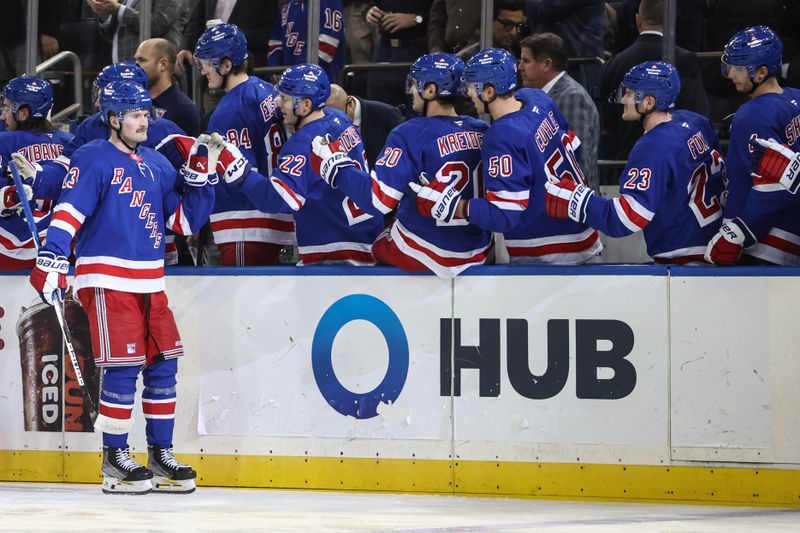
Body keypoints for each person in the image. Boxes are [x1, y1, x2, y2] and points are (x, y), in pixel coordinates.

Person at [29, 80, 214, 494]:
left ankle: (160, 454)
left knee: (164, 365)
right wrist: (54, 256)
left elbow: (185, 223)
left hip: (151, 280)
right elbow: (69, 210)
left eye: (146, 114)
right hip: (107, 279)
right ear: (113, 119)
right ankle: (115, 458)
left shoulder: (158, 164)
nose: (143, 121)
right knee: (123, 369)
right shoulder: (92, 157)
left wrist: (203, 180)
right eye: (134, 115)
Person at [409, 48, 602, 264]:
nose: (468, 93)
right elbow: (574, 146)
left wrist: (454, 205)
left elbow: (503, 214)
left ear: (489, 91)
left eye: (473, 86)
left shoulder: (501, 135)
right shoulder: (537, 98)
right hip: (584, 231)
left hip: (549, 251)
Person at [313, 53, 491, 277]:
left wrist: (338, 168)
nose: (411, 91)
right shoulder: (482, 130)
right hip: (477, 250)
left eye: (415, 84)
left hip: (423, 251)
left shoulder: (409, 132)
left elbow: (380, 200)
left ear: (430, 90)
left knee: (376, 245)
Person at [545, 61, 726, 264]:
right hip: (715, 243)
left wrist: (577, 199)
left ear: (648, 102)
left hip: (685, 258)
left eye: (630, 93)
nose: (623, 99)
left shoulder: (653, 147)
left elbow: (626, 218)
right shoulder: (696, 122)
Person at [213, 63, 383, 265]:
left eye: (284, 98)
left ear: (305, 105)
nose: (277, 103)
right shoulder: (340, 120)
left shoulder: (302, 143)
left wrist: (237, 169)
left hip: (335, 250)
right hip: (369, 238)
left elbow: (275, 200)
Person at [193, 23, 292, 266]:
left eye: (207, 63)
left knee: (244, 302)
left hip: (245, 222)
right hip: (275, 218)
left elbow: (237, 174)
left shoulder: (229, 111)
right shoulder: (268, 91)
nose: (203, 70)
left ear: (227, 65)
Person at [704, 26, 800, 266]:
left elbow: (776, 183)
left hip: (765, 241)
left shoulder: (753, 115)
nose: (731, 74)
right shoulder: (796, 98)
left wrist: (739, 234)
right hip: (791, 230)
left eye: (738, 68)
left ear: (761, 72)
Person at [599, 0, 709, 160]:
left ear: (638, 19)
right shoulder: (685, 60)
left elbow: (607, 122)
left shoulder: (613, 65)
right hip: (673, 158)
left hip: (623, 162)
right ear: (672, 22)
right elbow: (696, 113)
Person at [0, 76, 73, 270]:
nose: (2, 116)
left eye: (6, 108)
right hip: (63, 243)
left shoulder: (4, 141)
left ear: (23, 113)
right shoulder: (69, 141)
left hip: (16, 245)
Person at [518, 32, 600, 190]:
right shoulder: (536, 96)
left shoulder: (572, 97)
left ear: (547, 64)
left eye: (526, 61)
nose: (519, 67)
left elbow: (576, 163)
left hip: (570, 206)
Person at [364, 1, 430, 106]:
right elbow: (372, 5)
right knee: (379, 105)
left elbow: (441, 17)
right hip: (384, 50)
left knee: (417, 107)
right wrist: (371, 12)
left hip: (416, 49)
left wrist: (416, 18)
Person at [326, 83, 404, 169]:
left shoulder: (386, 114)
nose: (333, 121)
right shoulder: (322, 124)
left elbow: (405, 151)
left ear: (350, 103)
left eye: (337, 115)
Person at [135, 38, 202, 136]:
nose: (135, 67)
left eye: (142, 60)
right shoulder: (133, 102)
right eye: (135, 60)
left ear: (163, 64)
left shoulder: (186, 111)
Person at [267, 0, 346, 84]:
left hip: (322, 80)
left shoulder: (330, 2)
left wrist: (297, 72)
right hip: (289, 80)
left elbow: (327, 44)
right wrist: (274, 68)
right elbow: (275, 42)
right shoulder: (287, 5)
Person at [86, 0, 186, 62]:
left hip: (155, 73)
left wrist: (118, 9)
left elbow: (156, 25)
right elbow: (111, 34)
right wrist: (104, 13)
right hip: (124, 69)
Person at [454, 0, 524, 60]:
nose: (513, 32)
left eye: (518, 25)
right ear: (489, 20)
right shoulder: (463, 61)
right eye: (507, 24)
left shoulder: (518, 62)